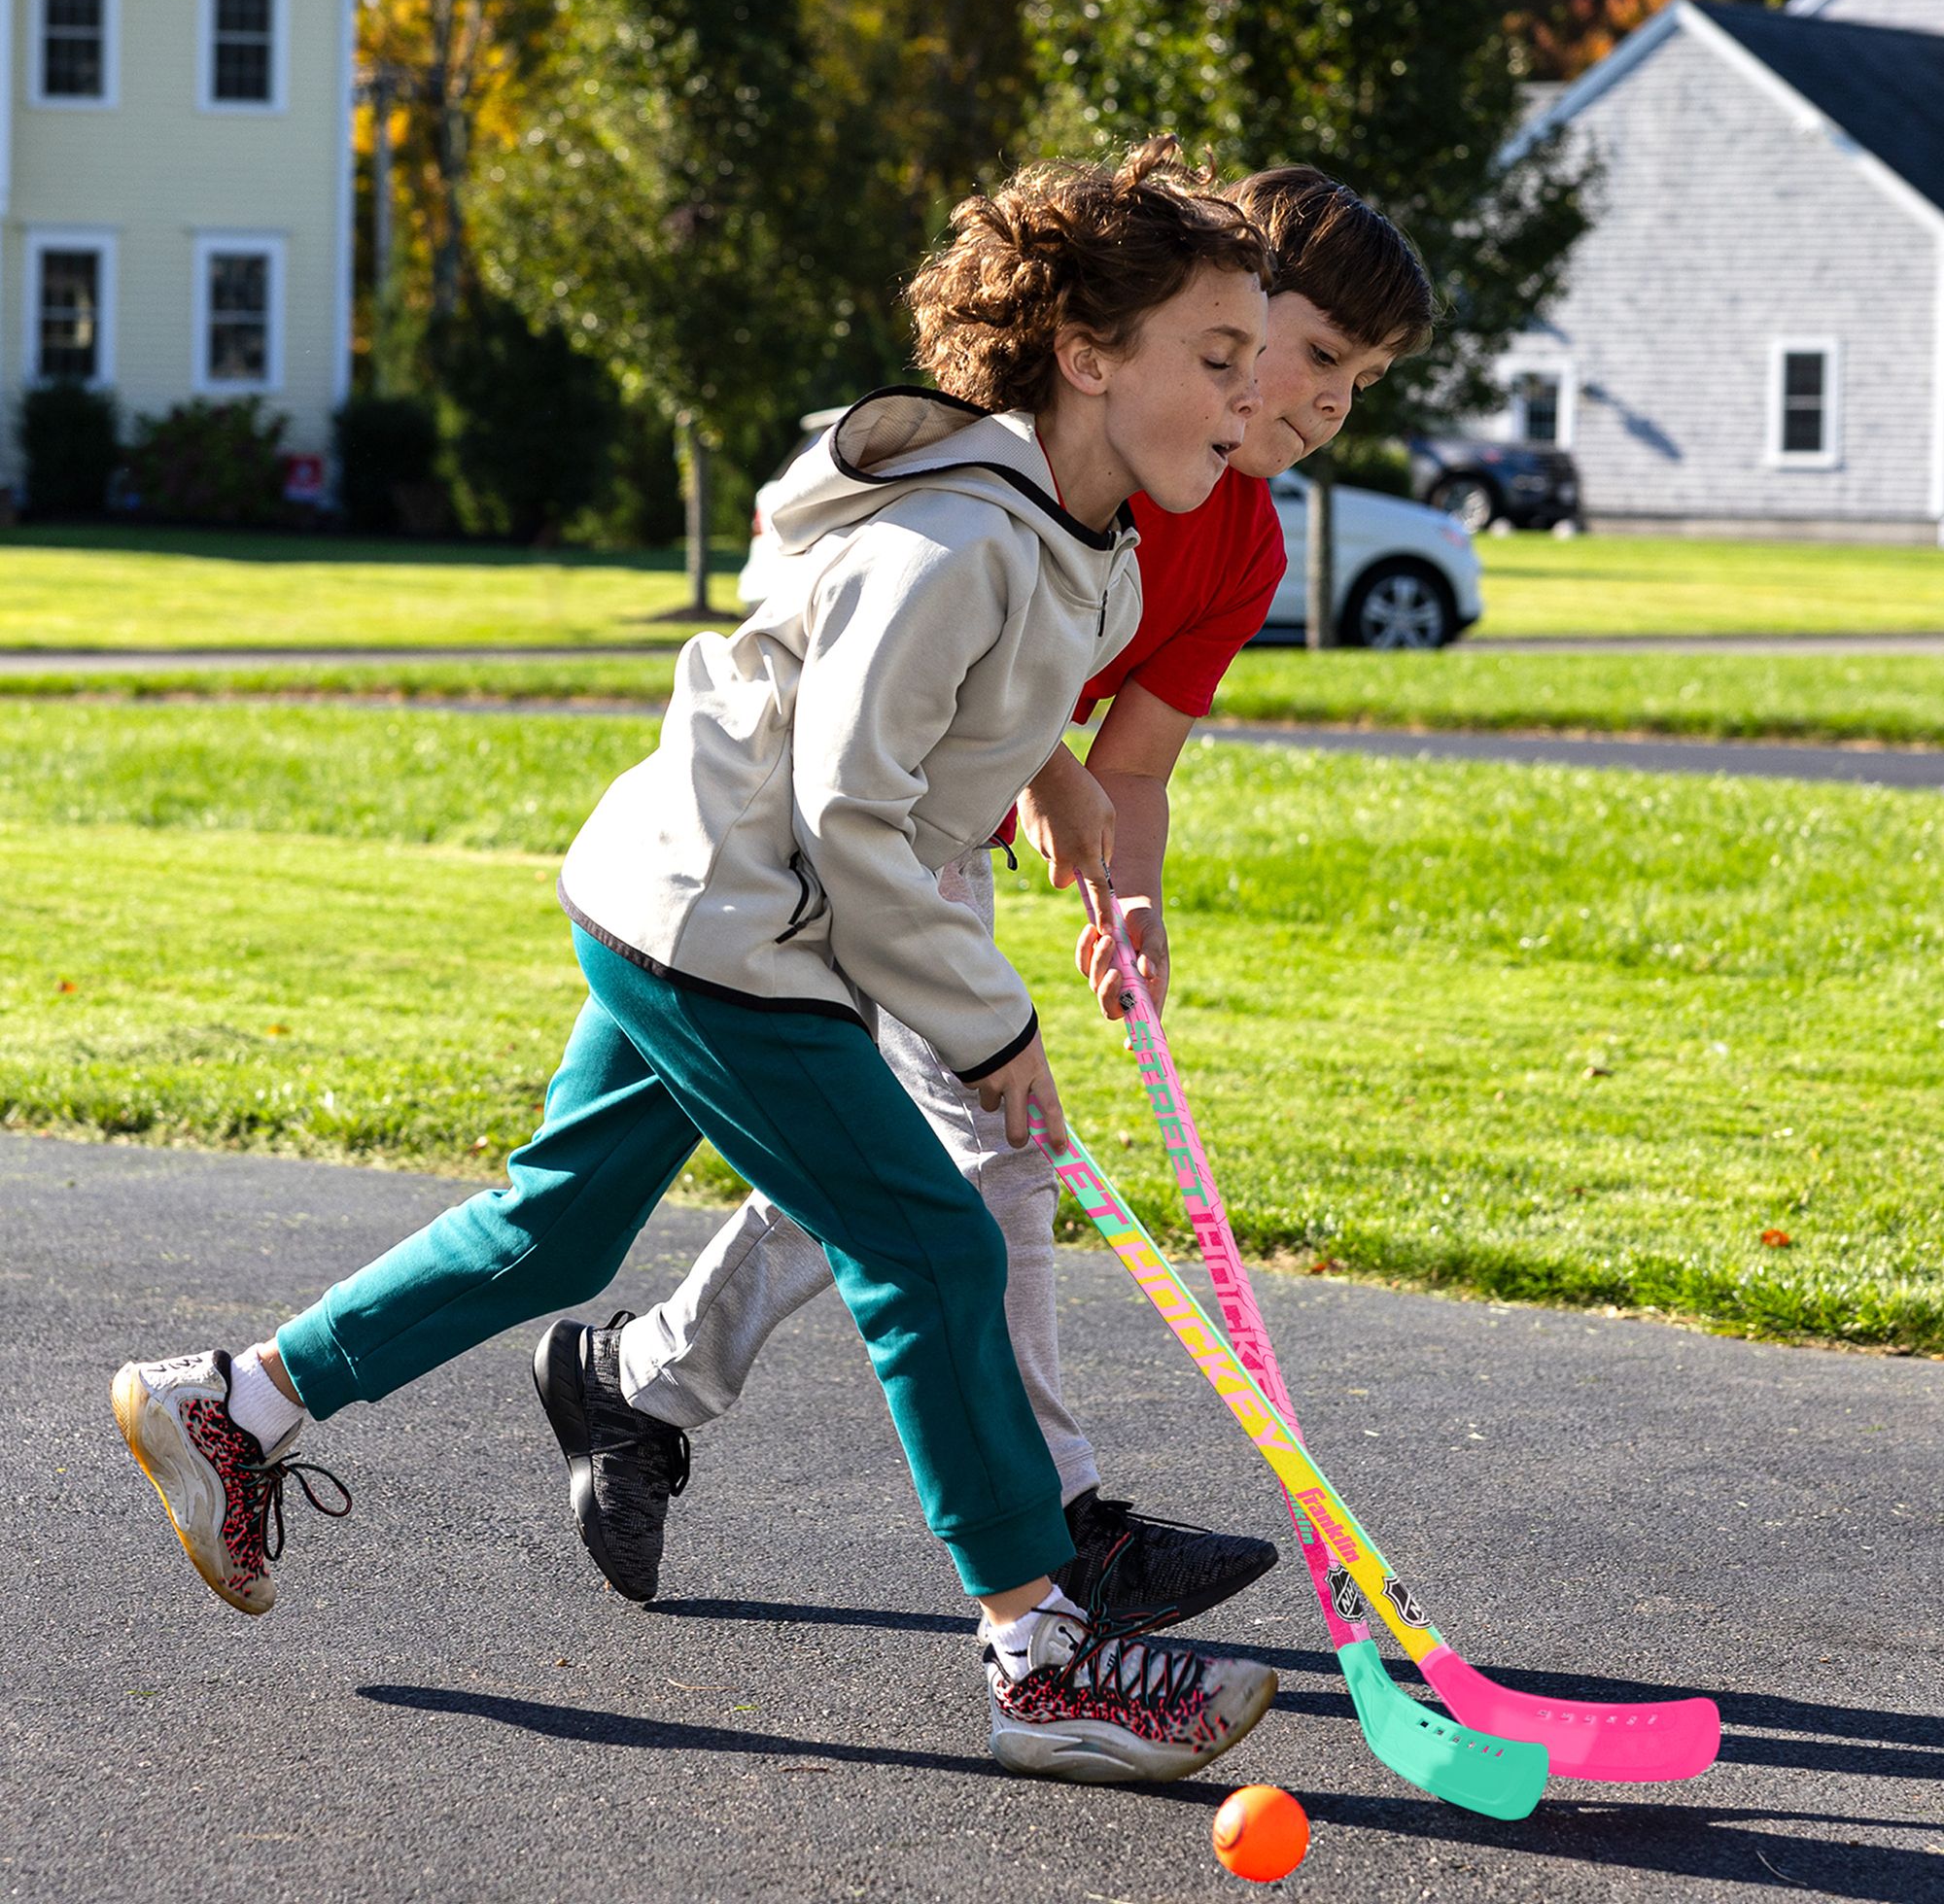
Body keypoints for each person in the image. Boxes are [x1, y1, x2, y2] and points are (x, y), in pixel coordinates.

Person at [111, 139, 1288, 1785]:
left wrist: (1063, 778)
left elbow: (942, 716)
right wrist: (990, 1024)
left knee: (561, 1224)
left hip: (691, 900)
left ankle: (233, 1405)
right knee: (932, 1248)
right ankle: (1045, 1657)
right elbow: (851, 811)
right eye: (1219, 360)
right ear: (1088, 357)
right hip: (739, 931)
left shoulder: (1064, 526)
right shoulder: (951, 539)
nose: (1251, 404)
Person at [536, 166, 1435, 1630]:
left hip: (929, 829)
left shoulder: (1245, 538)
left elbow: (1128, 760)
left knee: (899, 1176)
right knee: (992, 1160)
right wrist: (1045, 781)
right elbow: (929, 642)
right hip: (839, 830)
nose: (1332, 403)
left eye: (1367, 381)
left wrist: (1122, 896)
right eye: (1314, 354)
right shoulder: (1067, 434)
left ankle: (637, 1382)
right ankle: (1062, 1526)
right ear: (1214, 317)